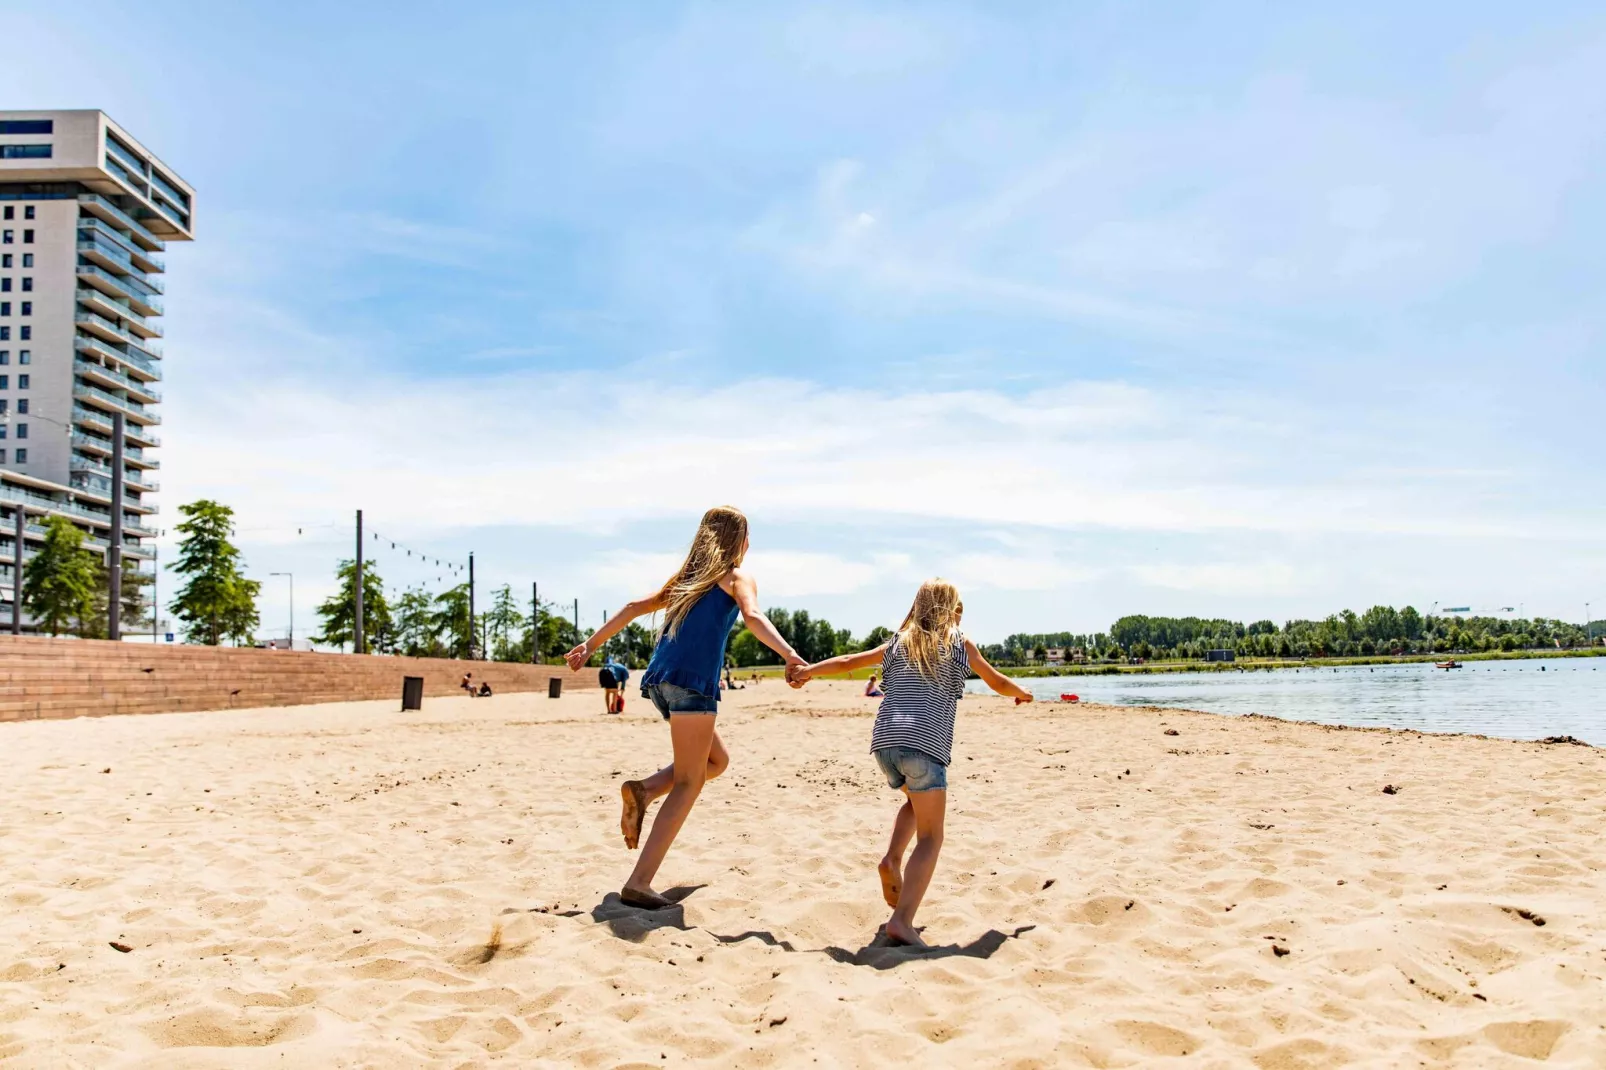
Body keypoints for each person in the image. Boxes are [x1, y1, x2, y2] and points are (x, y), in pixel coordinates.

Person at [566, 506, 805, 910]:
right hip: (693, 685)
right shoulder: (736, 576)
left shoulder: (688, 580)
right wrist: (790, 654)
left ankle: (644, 791)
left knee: (716, 760)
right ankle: (639, 882)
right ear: (740, 543)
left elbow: (630, 607)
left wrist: (590, 645)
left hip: (661, 681)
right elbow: (753, 615)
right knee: (690, 782)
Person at [789, 579, 1031, 946]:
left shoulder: (897, 642)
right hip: (924, 746)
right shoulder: (959, 643)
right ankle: (902, 920)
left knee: (914, 802)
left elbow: (849, 661)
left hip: (885, 745)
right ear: (951, 611)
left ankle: (892, 858)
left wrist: (809, 670)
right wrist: (1022, 692)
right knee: (932, 836)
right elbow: (995, 681)